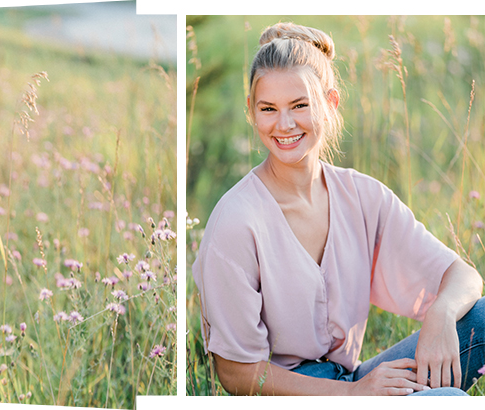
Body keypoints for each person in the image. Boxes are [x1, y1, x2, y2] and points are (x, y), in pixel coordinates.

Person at [193, 22, 485, 397]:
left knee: (480, 318)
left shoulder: (361, 196)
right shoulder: (236, 221)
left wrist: (441, 314)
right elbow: (235, 373)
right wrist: (352, 395)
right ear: (251, 111)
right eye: (269, 108)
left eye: (300, 105)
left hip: (353, 381)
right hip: (293, 398)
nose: (284, 124)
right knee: (448, 400)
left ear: (329, 103)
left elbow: (463, 277)